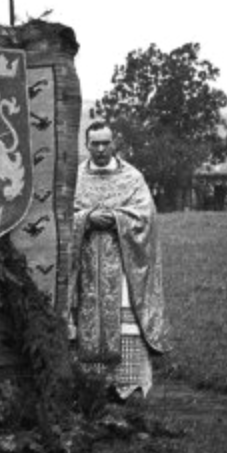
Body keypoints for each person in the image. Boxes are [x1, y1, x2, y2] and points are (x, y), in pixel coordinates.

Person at [68, 123, 172, 401]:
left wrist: (116, 219)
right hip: (85, 263)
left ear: (114, 144)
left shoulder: (132, 178)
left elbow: (146, 217)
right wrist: (84, 219)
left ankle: (127, 385)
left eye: (105, 143)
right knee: (81, 319)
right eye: (94, 144)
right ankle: (88, 386)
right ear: (86, 145)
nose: (100, 149)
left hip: (123, 264)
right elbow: (63, 214)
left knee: (126, 322)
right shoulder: (74, 178)